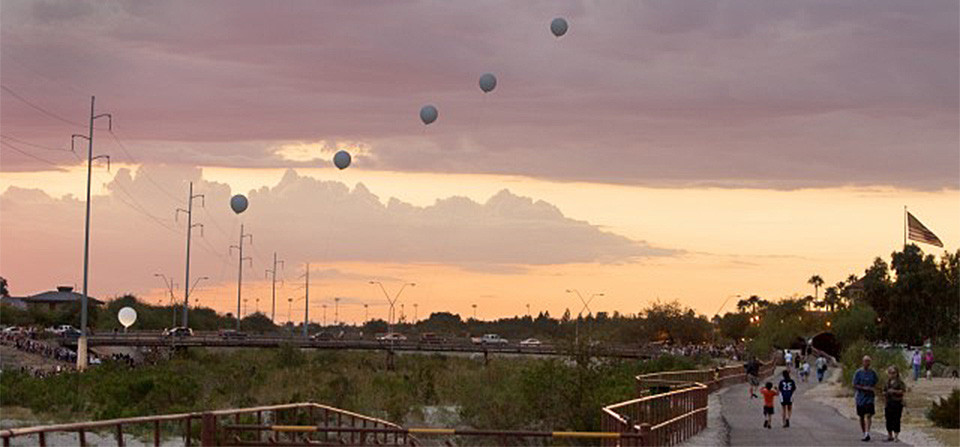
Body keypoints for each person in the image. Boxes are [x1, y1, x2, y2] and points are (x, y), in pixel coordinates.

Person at [853, 355, 879, 442]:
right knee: (861, 416)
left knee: (869, 415)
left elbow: (876, 382)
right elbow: (854, 384)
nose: (867, 363)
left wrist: (873, 389)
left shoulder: (873, 373)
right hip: (860, 398)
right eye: (865, 361)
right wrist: (864, 388)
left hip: (870, 397)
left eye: (868, 361)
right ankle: (864, 432)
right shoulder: (858, 373)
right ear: (862, 362)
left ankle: (867, 433)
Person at [883, 365, 905, 442]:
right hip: (888, 403)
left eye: (893, 373)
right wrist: (885, 394)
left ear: (896, 373)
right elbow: (884, 391)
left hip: (897, 403)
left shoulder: (900, 382)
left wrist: (894, 391)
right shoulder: (887, 382)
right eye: (890, 373)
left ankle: (896, 436)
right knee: (888, 419)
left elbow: (902, 391)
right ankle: (889, 435)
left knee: (896, 419)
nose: (892, 374)